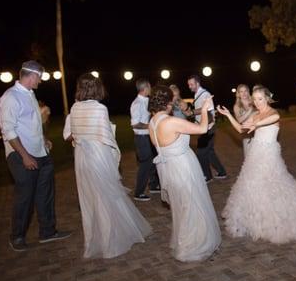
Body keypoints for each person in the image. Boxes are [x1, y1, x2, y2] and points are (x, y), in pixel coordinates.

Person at [217, 85, 296, 244]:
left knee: (274, 183)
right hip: (255, 153)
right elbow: (240, 129)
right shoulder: (256, 115)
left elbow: (274, 119)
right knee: (253, 184)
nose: (258, 102)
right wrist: (228, 115)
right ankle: (257, 217)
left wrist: (256, 124)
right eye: (255, 100)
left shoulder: (273, 113)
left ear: (266, 98)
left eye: (260, 99)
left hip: (269, 154)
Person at [68, 74, 152, 258]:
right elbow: (108, 138)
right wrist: (114, 158)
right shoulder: (100, 109)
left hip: (81, 156)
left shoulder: (74, 107)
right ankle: (109, 241)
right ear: (98, 88)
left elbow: (72, 135)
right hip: (98, 155)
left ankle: (93, 238)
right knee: (106, 196)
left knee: (89, 197)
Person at [0, 60, 71, 252]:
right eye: (40, 77)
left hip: (42, 153)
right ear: (32, 76)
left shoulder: (30, 94)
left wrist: (44, 138)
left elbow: (31, 124)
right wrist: (24, 156)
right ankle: (17, 237)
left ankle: (48, 232)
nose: (41, 81)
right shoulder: (10, 97)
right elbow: (8, 131)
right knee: (25, 197)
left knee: (45, 195)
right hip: (22, 156)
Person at [148, 85, 221, 262]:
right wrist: (204, 109)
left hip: (169, 168)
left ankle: (185, 241)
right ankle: (193, 245)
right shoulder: (170, 122)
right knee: (192, 205)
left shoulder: (152, 122)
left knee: (182, 205)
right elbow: (202, 129)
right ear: (166, 102)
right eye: (171, 101)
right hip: (183, 167)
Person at [187, 75, 227, 183]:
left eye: (191, 84)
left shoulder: (205, 94)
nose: (189, 86)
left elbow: (209, 110)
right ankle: (221, 172)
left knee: (201, 153)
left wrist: (193, 112)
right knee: (209, 152)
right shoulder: (197, 94)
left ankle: (207, 176)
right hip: (204, 127)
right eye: (189, 84)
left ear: (197, 83)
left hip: (208, 128)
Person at [130, 79, 161, 201]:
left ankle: (153, 185)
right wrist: (150, 125)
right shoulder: (136, 104)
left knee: (153, 161)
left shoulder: (147, 101)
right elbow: (135, 124)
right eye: (149, 87)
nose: (151, 89)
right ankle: (139, 192)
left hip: (149, 137)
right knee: (145, 164)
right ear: (145, 88)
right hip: (141, 138)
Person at [233, 84, 255, 154]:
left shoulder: (254, 100)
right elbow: (239, 120)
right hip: (247, 133)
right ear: (238, 94)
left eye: (245, 91)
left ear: (248, 91)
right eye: (241, 91)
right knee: (251, 156)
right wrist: (250, 110)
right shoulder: (237, 106)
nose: (244, 93)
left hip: (259, 129)